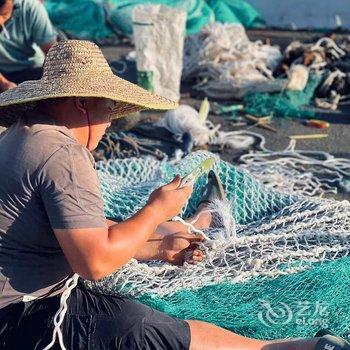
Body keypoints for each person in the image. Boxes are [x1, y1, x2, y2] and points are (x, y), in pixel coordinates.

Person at [0, 40, 348, 350]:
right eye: (108, 109)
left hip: (16, 300)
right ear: (81, 103)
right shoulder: (64, 154)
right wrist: (155, 210)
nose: (109, 125)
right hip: (19, 318)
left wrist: (157, 247)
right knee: (141, 326)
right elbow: (94, 263)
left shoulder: (21, 135)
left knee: (151, 284)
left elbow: (78, 232)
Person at [0, 0, 56, 92]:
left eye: (4, 15)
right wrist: (4, 83)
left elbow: (51, 52)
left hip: (35, 69)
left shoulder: (31, 7)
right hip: (4, 74)